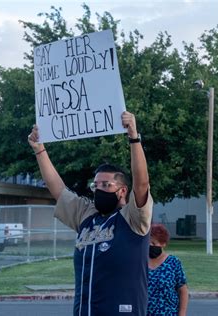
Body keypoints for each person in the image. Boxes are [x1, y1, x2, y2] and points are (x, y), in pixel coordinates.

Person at [28, 111, 153, 316]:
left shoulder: (134, 218)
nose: (99, 189)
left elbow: (142, 183)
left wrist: (134, 137)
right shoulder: (87, 215)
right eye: (96, 185)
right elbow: (58, 190)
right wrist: (39, 150)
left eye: (106, 184)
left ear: (122, 190)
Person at [147, 223, 188, 316]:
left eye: (153, 243)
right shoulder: (140, 263)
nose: (150, 246)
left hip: (168, 312)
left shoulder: (173, 262)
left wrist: (182, 313)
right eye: (148, 243)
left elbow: (183, 290)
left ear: (163, 243)